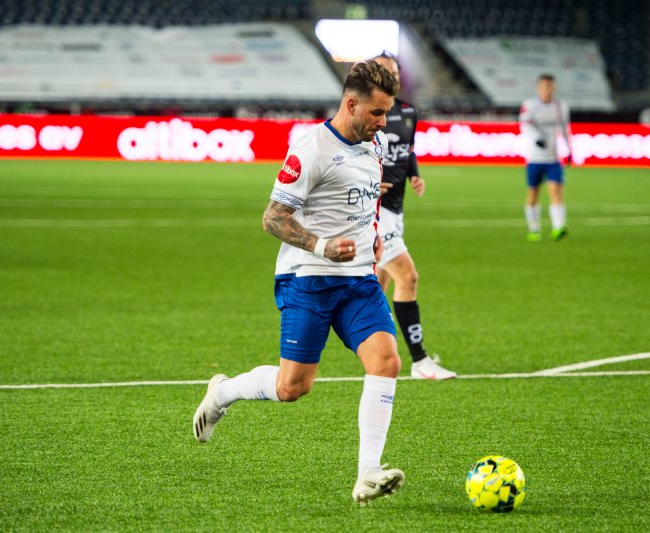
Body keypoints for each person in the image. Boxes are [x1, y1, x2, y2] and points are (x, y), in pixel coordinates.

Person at [193, 60, 404, 506]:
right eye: (378, 113)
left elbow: (367, 199)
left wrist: (374, 239)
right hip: (308, 278)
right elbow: (272, 218)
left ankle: (368, 473)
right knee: (293, 388)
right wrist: (322, 245)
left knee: (385, 362)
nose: (385, 122)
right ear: (351, 103)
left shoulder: (374, 144)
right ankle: (222, 393)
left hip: (359, 280)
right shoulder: (310, 149)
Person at [372, 52, 456, 381]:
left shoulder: (407, 111)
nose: (386, 76)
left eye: (391, 72)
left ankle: (368, 344)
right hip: (376, 211)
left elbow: (408, 149)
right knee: (407, 277)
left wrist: (414, 174)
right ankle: (419, 361)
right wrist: (366, 183)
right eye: (380, 71)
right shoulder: (364, 113)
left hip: (396, 207)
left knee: (376, 283)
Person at [519, 73, 572, 241]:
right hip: (534, 157)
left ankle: (559, 227)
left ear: (554, 88)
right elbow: (525, 125)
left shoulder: (561, 106)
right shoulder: (529, 105)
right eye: (543, 86)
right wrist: (538, 139)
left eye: (549, 86)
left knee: (555, 190)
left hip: (552, 158)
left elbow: (565, 128)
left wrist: (569, 150)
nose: (546, 90)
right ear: (538, 87)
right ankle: (534, 228)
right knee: (533, 193)